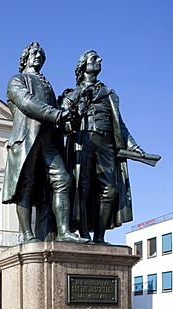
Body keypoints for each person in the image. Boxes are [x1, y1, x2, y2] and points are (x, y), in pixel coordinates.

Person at [2, 42, 87, 243]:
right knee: (26, 186)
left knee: (63, 180)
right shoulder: (17, 80)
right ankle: (27, 234)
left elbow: (60, 121)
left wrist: (71, 121)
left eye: (41, 53)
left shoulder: (48, 85)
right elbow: (29, 104)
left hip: (49, 141)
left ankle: (64, 232)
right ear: (25, 58)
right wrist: (58, 115)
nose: (38, 55)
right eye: (34, 53)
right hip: (27, 140)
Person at [61, 50, 145, 244]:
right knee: (83, 188)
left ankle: (99, 236)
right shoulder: (71, 95)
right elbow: (63, 127)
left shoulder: (109, 94)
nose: (99, 60)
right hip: (83, 142)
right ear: (83, 66)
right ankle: (83, 235)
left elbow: (120, 125)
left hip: (106, 145)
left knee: (111, 190)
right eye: (94, 59)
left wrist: (133, 145)